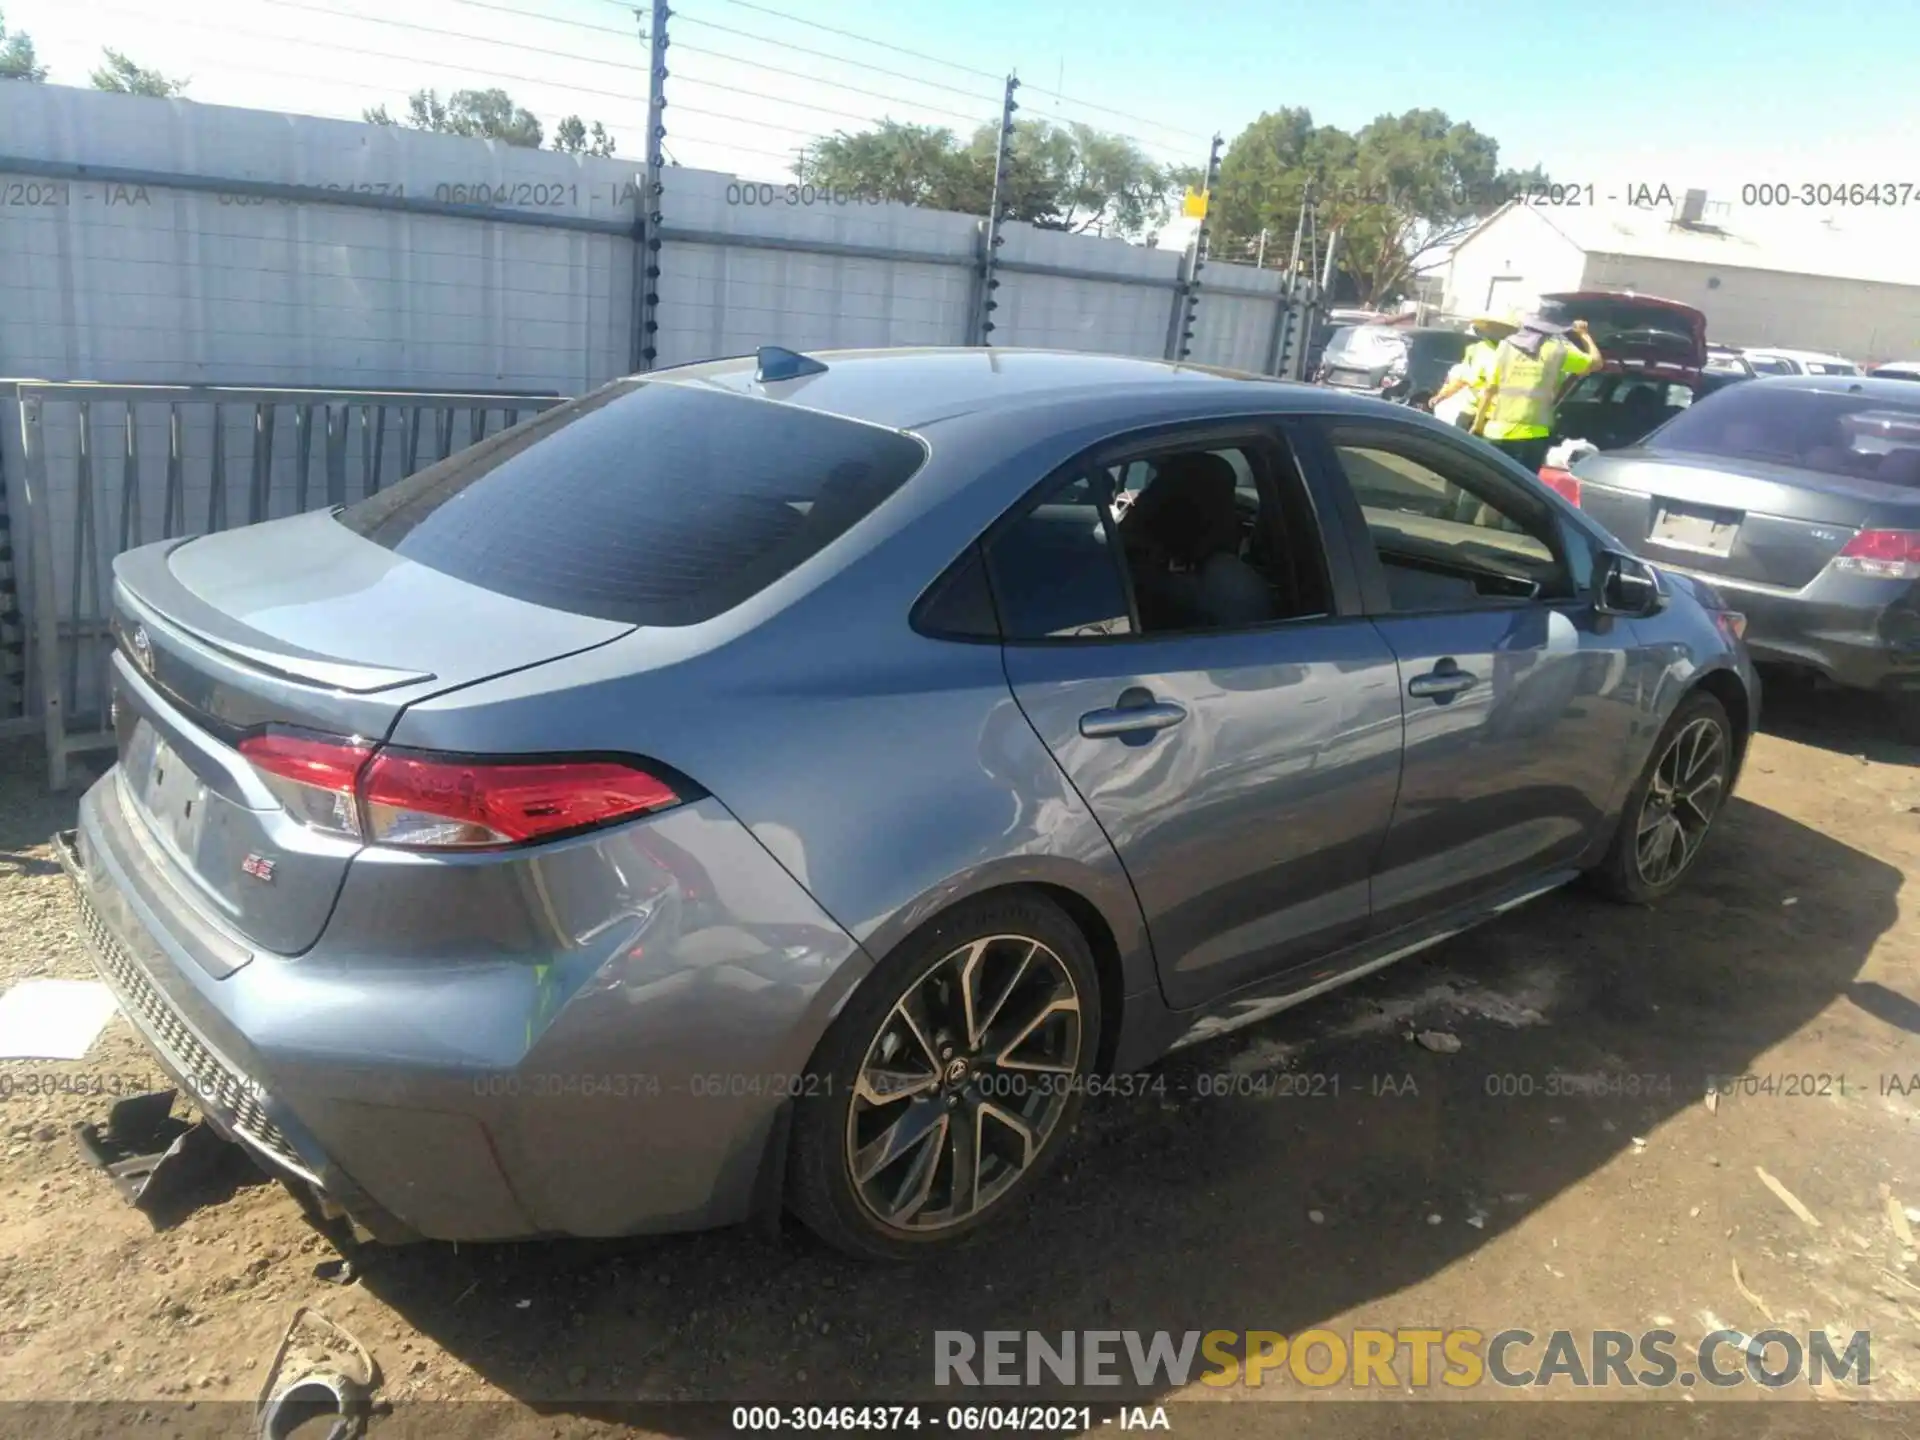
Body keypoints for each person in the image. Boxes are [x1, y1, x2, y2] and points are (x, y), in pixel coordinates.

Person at [1464, 314, 1604, 472]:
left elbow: (1489, 390)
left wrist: (1478, 424)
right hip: (1532, 436)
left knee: (1485, 483)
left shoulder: (1505, 347)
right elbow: (1597, 363)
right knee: (1519, 490)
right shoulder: (1558, 350)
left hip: (1495, 431)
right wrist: (1584, 334)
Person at [1428, 311, 1519, 427]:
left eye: (1503, 328)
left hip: (1496, 417)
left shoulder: (1516, 355)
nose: (1498, 331)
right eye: (1493, 326)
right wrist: (1442, 395)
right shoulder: (1475, 350)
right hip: (1471, 411)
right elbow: (1461, 377)